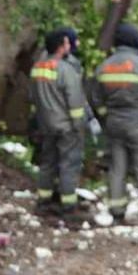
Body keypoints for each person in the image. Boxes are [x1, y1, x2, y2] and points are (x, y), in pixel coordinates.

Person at [90, 23, 138, 227]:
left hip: (115, 126)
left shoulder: (103, 67)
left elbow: (96, 98)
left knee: (117, 169)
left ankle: (116, 212)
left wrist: (107, 118)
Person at [29, 28, 88, 219]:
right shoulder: (66, 70)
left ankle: (43, 203)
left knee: (47, 164)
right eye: (67, 43)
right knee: (68, 165)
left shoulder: (38, 68)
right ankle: (68, 207)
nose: (70, 46)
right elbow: (76, 104)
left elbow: (32, 97)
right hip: (66, 127)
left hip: (46, 126)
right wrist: (80, 127)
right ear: (61, 47)